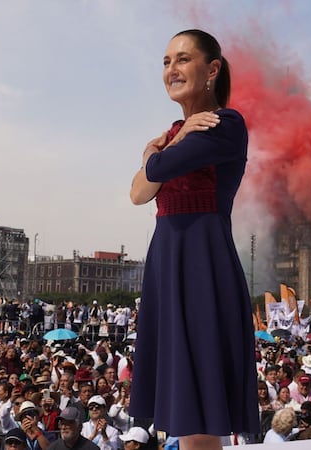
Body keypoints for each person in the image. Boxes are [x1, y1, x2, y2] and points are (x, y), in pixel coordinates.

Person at [129, 29, 257, 450]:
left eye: (182, 59)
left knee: (198, 407)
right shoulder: (178, 132)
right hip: (169, 265)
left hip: (202, 267)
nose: (171, 69)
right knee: (186, 412)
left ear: (212, 70)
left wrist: (156, 151)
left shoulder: (226, 124)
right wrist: (170, 144)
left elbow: (155, 171)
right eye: (166, 62)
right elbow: (137, 194)